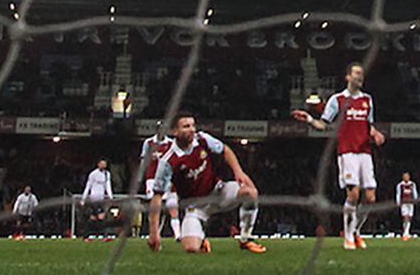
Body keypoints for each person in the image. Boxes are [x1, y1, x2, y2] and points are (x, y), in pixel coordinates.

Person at [293, 61, 385, 251]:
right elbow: (324, 124)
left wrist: (375, 133)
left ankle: (356, 230)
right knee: (353, 193)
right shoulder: (338, 100)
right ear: (348, 77)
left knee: (370, 198)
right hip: (347, 152)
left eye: (362, 74)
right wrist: (310, 119)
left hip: (365, 152)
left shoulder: (367, 100)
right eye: (357, 74)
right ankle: (348, 236)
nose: (360, 77)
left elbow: (369, 125)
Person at [146, 111, 266, 254]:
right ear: (174, 131)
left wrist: (238, 172)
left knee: (250, 192)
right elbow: (157, 197)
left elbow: (225, 150)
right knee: (191, 249)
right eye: (186, 126)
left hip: (218, 192)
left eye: (192, 125)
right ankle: (201, 239)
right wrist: (154, 233)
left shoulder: (202, 139)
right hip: (195, 207)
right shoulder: (168, 161)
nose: (191, 129)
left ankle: (246, 239)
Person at [141, 128, 180, 240]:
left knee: (172, 206)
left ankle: (177, 234)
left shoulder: (171, 143)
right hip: (152, 179)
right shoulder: (149, 143)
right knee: (155, 208)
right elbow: (143, 161)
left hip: (167, 179)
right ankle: (153, 233)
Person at [81, 158, 113, 237]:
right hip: (94, 199)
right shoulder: (93, 174)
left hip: (101, 199)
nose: (103, 165)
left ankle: (86, 235)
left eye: (104, 164)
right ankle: (104, 235)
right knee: (101, 217)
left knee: (93, 218)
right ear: (98, 164)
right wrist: (83, 199)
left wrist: (110, 196)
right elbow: (88, 186)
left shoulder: (107, 174)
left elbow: (107, 186)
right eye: (101, 164)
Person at [396, 172, 417, 240]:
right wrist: (398, 202)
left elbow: (414, 192)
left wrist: (415, 199)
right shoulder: (400, 185)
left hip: (410, 202)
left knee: (410, 217)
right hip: (404, 202)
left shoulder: (412, 184)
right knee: (405, 216)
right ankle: (405, 232)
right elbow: (398, 193)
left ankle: (407, 231)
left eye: (407, 176)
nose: (406, 178)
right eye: (404, 176)